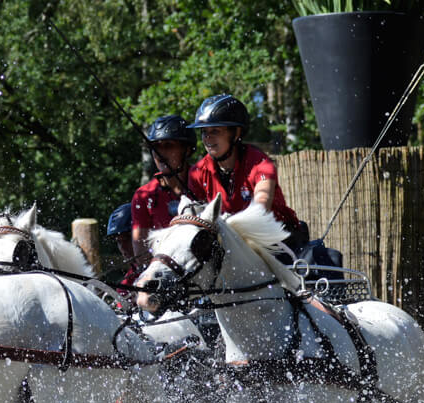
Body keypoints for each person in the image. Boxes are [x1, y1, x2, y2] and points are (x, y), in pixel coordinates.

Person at [186, 93, 309, 254]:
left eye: (215, 130)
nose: (207, 138)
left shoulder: (261, 164)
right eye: (204, 132)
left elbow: (261, 206)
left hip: (279, 241)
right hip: (229, 245)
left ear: (236, 133)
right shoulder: (197, 172)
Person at [128, 114, 198, 275]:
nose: (160, 153)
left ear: (187, 150)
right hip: (162, 273)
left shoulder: (204, 181)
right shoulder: (144, 195)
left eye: (168, 145)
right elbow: (141, 253)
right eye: (156, 147)